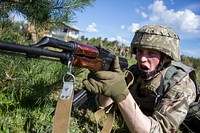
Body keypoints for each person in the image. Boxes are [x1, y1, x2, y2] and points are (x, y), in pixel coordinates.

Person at [83, 24, 197, 133]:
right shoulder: (134, 71)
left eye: (151, 53)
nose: (142, 58)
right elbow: (103, 105)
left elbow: (159, 131)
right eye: (140, 51)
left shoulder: (180, 84)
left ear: (166, 57)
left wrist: (120, 93)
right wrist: (108, 85)